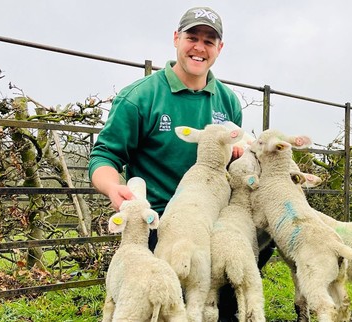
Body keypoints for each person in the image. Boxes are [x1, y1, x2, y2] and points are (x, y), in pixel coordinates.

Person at [88, 6, 244, 322]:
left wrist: (239, 155)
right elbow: (104, 156)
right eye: (192, 37)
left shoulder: (228, 103)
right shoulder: (141, 97)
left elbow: (231, 166)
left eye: (209, 41)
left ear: (219, 49)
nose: (199, 47)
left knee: (218, 304)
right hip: (157, 223)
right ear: (176, 39)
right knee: (161, 307)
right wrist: (113, 187)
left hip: (211, 223)